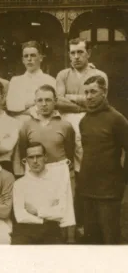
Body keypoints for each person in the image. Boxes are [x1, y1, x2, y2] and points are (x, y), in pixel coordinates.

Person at [56, 38, 109, 239]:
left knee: (88, 173)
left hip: (91, 126)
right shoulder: (63, 74)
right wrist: (82, 103)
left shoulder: (99, 75)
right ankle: (71, 223)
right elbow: (58, 101)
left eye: (80, 52)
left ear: (89, 54)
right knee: (70, 177)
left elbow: (99, 103)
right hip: (69, 128)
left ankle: (89, 224)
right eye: (72, 53)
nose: (76, 57)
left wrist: (71, 98)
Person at [79, 75, 128, 244]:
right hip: (87, 189)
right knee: (91, 240)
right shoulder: (84, 121)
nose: (89, 96)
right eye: (86, 92)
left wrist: (123, 180)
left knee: (110, 239)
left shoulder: (117, 119)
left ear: (104, 92)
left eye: (93, 91)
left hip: (109, 191)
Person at [12, 142, 75, 244]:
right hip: (25, 231)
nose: (35, 161)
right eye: (31, 157)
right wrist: (46, 217)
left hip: (51, 231)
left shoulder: (57, 182)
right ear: (26, 160)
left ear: (45, 158)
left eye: (39, 156)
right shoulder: (19, 184)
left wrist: (37, 212)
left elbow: (61, 213)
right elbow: (20, 216)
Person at [17, 85, 75, 173]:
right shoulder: (26, 125)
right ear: (35, 102)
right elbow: (23, 154)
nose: (44, 104)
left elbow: (70, 153)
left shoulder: (66, 125)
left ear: (55, 101)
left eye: (48, 100)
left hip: (59, 173)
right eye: (40, 100)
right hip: (36, 173)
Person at [6, 41, 55, 121]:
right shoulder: (15, 81)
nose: (29, 59)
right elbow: (10, 106)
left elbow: (51, 107)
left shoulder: (50, 80)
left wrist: (21, 108)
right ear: (23, 60)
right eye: (26, 56)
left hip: (42, 122)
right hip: (18, 123)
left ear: (41, 58)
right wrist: (31, 105)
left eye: (33, 55)